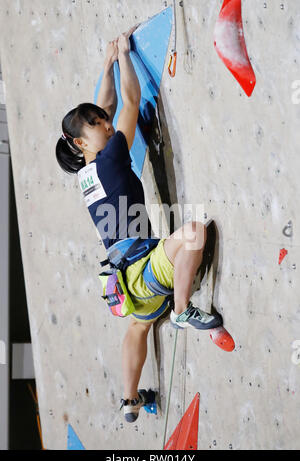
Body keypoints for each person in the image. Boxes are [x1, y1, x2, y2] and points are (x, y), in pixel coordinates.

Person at [55, 25, 222, 423]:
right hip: (144, 270)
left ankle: (129, 401)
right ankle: (182, 309)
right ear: (82, 142)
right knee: (194, 234)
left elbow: (104, 107)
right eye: (98, 125)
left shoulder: (87, 174)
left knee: (138, 329)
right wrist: (125, 55)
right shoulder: (111, 156)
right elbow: (128, 101)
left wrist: (107, 61)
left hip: (125, 282)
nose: (107, 125)